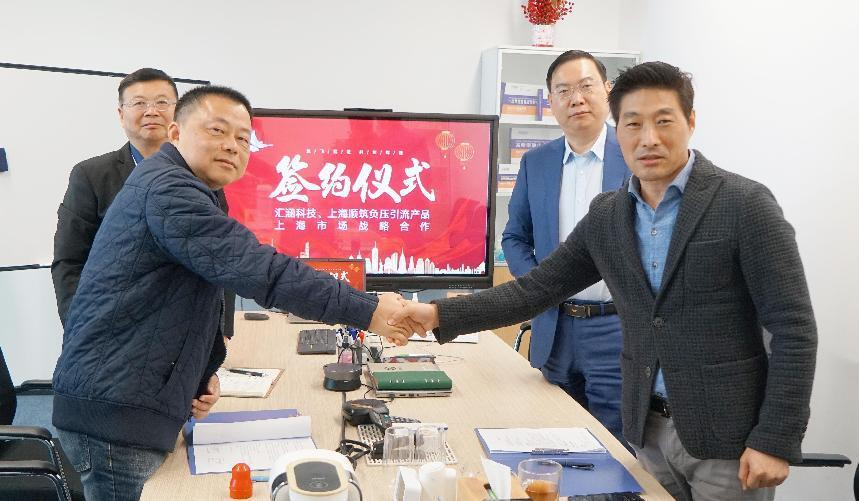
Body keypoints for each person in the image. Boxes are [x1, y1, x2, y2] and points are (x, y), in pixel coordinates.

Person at [392, 61, 817, 500]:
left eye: (663, 121)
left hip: (726, 440)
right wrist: (438, 313)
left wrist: (775, 438)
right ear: (619, 128)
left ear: (691, 121)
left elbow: (794, 329)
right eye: (633, 123)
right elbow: (537, 289)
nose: (648, 138)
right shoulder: (609, 215)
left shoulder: (745, 204)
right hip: (647, 434)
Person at [51, 85, 412, 501]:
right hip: (116, 418)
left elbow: (188, 298)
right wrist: (370, 310)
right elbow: (262, 271)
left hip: (127, 399)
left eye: (243, 138)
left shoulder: (189, 187)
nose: (232, 146)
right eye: (217, 130)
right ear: (175, 132)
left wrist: (198, 374)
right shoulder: (169, 190)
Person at [50, 68, 237, 341]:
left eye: (162, 102)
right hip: (116, 333)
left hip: (188, 332)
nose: (151, 111)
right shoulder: (91, 175)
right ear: (121, 114)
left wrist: (221, 333)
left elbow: (223, 256)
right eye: (139, 103)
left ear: (178, 114)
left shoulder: (204, 175)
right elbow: (70, 261)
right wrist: (82, 330)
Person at [502, 50, 630, 442]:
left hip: (616, 328)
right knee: (553, 439)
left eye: (586, 86)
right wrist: (541, 285)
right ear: (551, 101)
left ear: (607, 91)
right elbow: (515, 237)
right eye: (563, 91)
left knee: (615, 444)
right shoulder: (536, 163)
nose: (576, 99)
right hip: (554, 328)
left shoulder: (635, 157)